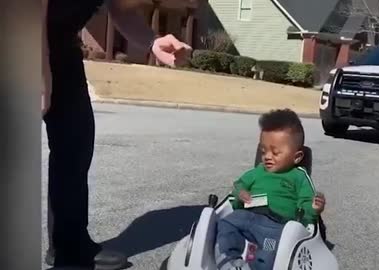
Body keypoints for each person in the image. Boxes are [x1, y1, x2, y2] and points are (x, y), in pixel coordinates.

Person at [42, 0, 191, 269]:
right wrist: (39, 65)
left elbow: (120, 7)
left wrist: (152, 41)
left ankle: (68, 245)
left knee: (75, 141)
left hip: (61, 45)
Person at [215, 109, 327, 270]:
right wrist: (240, 193)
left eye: (275, 152)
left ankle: (254, 265)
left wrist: (314, 208)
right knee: (225, 224)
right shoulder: (256, 172)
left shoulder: (298, 176)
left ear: (297, 157)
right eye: (263, 151)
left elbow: (306, 203)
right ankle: (230, 260)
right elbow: (239, 185)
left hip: (276, 225)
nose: (267, 156)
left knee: (271, 252)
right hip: (246, 215)